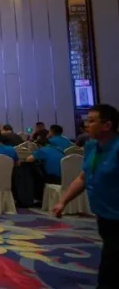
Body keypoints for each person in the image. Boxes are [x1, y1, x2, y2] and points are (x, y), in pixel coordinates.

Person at [54, 104, 119, 288]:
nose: (86, 125)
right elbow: (83, 178)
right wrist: (63, 201)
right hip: (104, 214)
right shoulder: (91, 147)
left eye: (91, 121)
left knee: (110, 267)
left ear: (107, 125)